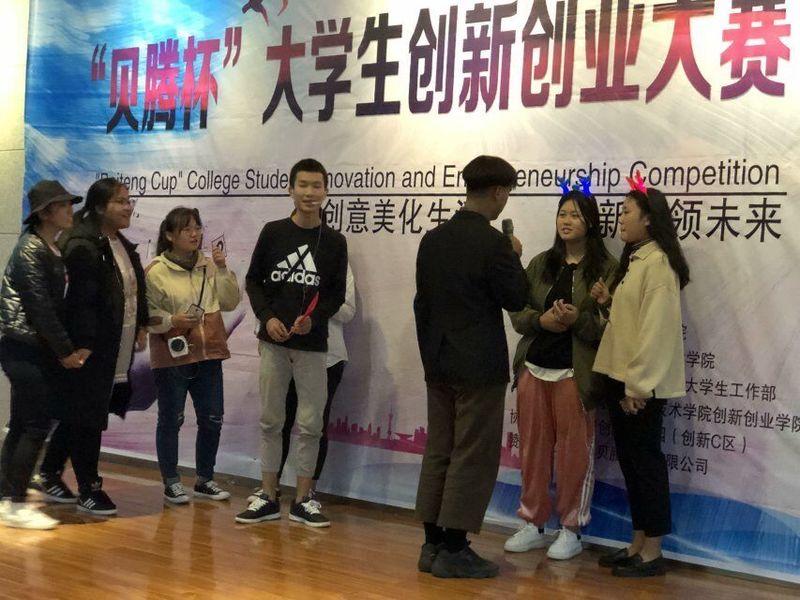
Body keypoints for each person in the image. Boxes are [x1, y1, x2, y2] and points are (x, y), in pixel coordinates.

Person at [413, 155, 528, 578]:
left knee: (439, 450)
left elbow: (422, 304)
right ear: (498, 191)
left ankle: (432, 544)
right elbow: (517, 298)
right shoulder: (495, 244)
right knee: (472, 455)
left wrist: (431, 355)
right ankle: (456, 548)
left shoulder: (433, 239)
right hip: (478, 366)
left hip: (438, 361)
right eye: (507, 193)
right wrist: (514, 257)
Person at [505, 186, 617, 559]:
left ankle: (571, 528)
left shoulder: (607, 269)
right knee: (533, 449)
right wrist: (542, 320)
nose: (566, 221)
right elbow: (517, 310)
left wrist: (576, 320)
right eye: (562, 214)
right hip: (534, 367)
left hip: (575, 373)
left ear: (591, 222)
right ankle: (532, 522)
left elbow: (612, 327)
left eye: (575, 215)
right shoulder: (542, 262)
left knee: (574, 454)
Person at [238, 158, 347, 527]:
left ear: (326, 191)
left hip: (313, 347)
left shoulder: (335, 242)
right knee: (271, 420)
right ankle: (268, 495)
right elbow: (253, 281)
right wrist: (267, 317)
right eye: (303, 185)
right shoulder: (273, 232)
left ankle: (304, 499)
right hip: (273, 343)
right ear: (290, 189)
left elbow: (335, 295)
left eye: (316, 186)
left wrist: (314, 319)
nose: (309, 193)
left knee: (311, 424)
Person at [592, 181, 690, 577]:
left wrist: (638, 387)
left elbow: (656, 333)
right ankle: (637, 544)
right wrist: (608, 303)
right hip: (623, 378)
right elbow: (631, 323)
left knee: (646, 465)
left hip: (640, 386)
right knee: (632, 465)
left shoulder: (658, 264)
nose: (620, 218)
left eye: (626, 212)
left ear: (648, 219)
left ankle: (652, 551)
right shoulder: (636, 261)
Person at [35, 177, 148, 516]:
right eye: (120, 201)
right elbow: (79, 304)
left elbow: (134, 287)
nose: (128, 207)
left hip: (115, 342)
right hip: (90, 347)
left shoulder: (118, 241)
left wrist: (142, 323)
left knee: (83, 412)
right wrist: (83, 345)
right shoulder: (83, 244)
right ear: (100, 207)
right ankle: (89, 487)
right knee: (88, 414)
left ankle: (49, 471)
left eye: (129, 200)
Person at [0, 181, 83, 529]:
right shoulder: (32, 249)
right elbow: (41, 309)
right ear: (46, 213)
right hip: (24, 347)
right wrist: (66, 351)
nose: (70, 211)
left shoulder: (46, 246)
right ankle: (14, 502)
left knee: (23, 423)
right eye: (63, 205)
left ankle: (7, 495)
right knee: (35, 424)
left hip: (29, 347)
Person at [145, 207, 241, 505]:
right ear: (169, 235)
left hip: (209, 352)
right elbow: (146, 316)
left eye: (197, 228)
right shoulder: (156, 270)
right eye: (187, 229)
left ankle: (205, 479)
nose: (194, 234)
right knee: (171, 420)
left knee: (212, 419)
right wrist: (172, 320)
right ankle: (171, 481)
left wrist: (222, 269)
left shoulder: (209, 265)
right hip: (172, 356)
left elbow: (230, 302)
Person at [273, 262, 355, 498]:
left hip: (327, 358)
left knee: (315, 424)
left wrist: (320, 303)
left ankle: (308, 491)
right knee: (278, 422)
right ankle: (270, 487)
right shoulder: (286, 259)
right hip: (285, 352)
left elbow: (348, 311)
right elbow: (268, 301)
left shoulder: (339, 264)